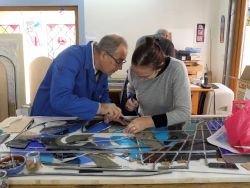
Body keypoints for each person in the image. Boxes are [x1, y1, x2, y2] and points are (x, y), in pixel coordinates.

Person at [31, 34, 128, 122]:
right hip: (47, 121)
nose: (120, 68)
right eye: (118, 61)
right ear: (104, 55)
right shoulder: (70, 58)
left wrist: (110, 112)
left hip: (73, 120)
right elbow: (60, 99)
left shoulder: (103, 69)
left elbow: (102, 95)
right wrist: (101, 108)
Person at [124, 37, 191, 134]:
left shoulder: (177, 69)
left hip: (170, 126)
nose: (140, 79)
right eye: (137, 74)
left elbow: (184, 113)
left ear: (159, 67)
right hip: (143, 124)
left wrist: (147, 122)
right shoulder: (133, 70)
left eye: (145, 76)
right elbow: (131, 88)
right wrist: (131, 99)